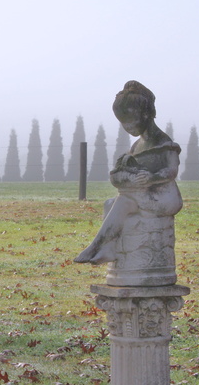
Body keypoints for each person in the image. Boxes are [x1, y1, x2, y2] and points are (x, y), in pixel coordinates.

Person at [75, 81, 182, 265]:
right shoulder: (136, 146)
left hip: (164, 197)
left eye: (130, 121)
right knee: (110, 203)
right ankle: (108, 250)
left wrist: (152, 178)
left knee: (123, 201)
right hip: (144, 196)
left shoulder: (162, 141)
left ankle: (96, 245)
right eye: (123, 123)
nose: (128, 127)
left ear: (146, 114)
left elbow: (172, 170)